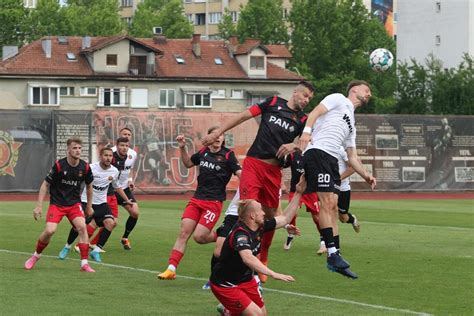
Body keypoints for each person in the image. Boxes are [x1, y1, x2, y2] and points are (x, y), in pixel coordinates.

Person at [202, 80, 314, 283]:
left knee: (270, 216)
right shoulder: (272, 102)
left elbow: (310, 141)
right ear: (295, 92)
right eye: (305, 95)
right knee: (249, 211)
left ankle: (263, 257)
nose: (306, 100)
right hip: (254, 165)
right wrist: (219, 132)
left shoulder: (303, 120)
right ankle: (229, 265)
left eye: (309, 98)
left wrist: (294, 145)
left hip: (274, 171)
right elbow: (243, 116)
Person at [299, 80, 377, 279]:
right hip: (318, 152)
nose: (369, 94)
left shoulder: (352, 123)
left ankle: (336, 255)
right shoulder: (338, 99)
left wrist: (366, 175)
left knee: (333, 206)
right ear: (354, 90)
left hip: (332, 160)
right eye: (366, 90)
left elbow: (352, 157)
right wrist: (306, 133)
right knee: (327, 203)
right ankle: (332, 255)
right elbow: (315, 112)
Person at [209, 175, 306, 316]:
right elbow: (248, 258)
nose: (264, 213)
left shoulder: (259, 226)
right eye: (260, 210)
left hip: (246, 280)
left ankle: (228, 311)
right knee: (255, 314)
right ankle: (229, 310)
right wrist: (273, 274)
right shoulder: (240, 234)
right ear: (252, 216)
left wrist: (298, 193)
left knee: (262, 314)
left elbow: (284, 218)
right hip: (226, 284)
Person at [158, 127, 242, 280]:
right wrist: (182, 147)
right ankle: (171, 269)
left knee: (199, 237)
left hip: (213, 202)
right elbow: (189, 163)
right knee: (183, 233)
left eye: (220, 135)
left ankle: (225, 235)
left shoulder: (228, 155)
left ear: (223, 138)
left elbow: (240, 173)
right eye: (214, 135)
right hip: (197, 199)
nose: (217, 138)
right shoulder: (203, 152)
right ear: (208, 137)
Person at [24, 137, 95, 272]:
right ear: (68, 150)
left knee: (82, 227)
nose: (78, 150)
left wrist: (89, 206)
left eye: (80, 148)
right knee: (50, 230)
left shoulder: (85, 167)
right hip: (57, 204)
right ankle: (35, 256)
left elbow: (89, 187)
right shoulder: (59, 165)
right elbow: (45, 184)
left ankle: (84, 264)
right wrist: (39, 205)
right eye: (74, 148)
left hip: (74, 204)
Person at [58, 147, 134, 262]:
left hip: (102, 203)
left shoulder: (114, 171)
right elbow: (78, 181)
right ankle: (67, 246)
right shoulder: (91, 168)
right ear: (100, 156)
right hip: (86, 202)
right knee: (77, 226)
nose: (108, 158)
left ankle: (96, 251)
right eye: (106, 155)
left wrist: (127, 200)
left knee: (111, 223)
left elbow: (117, 186)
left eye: (110, 156)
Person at [90, 129, 139, 250]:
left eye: (129, 135)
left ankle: (125, 237)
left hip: (123, 188)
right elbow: (100, 168)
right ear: (118, 141)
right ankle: (86, 243)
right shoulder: (110, 152)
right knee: (104, 219)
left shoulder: (132, 154)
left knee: (135, 212)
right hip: (109, 189)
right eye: (124, 135)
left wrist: (130, 180)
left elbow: (129, 169)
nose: (127, 137)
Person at [317, 146, 361, 256]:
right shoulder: (321, 148)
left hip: (343, 188)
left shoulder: (341, 150)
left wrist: (338, 178)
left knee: (343, 217)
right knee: (328, 213)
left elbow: (353, 167)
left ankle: (352, 219)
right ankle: (332, 247)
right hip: (328, 188)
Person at [282, 150, 321, 251]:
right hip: (295, 190)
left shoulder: (314, 153)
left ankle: (323, 239)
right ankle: (291, 235)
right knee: (292, 213)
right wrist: (281, 182)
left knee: (317, 217)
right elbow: (280, 166)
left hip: (310, 190)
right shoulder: (292, 155)